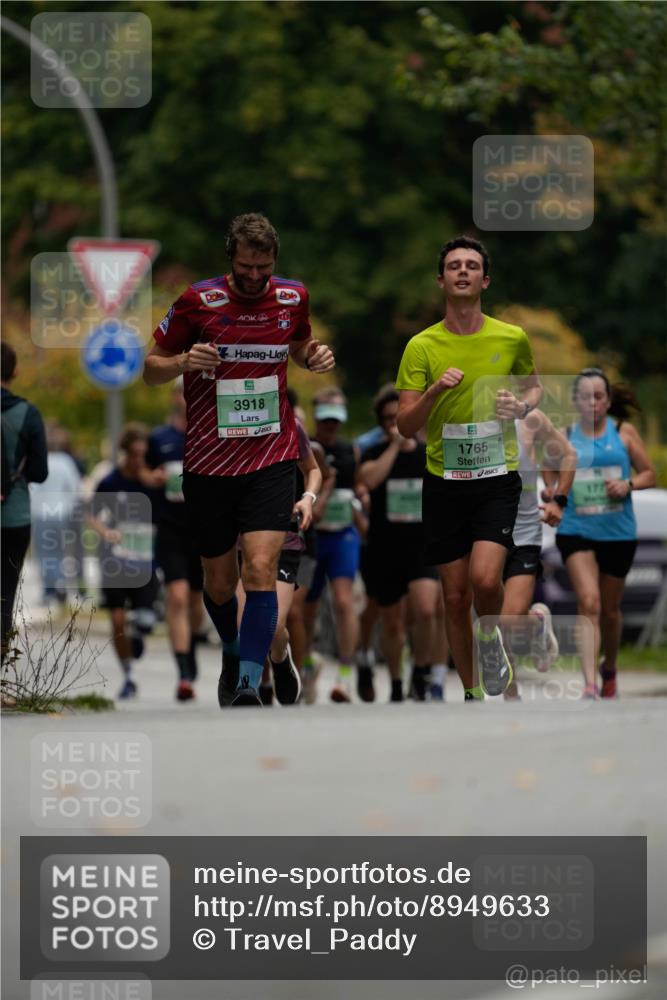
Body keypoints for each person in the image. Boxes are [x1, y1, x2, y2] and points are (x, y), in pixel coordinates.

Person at [143, 212, 334, 707]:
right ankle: (232, 648)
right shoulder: (196, 300)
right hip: (208, 462)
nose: (255, 277)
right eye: (246, 267)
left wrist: (312, 357)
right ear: (231, 257)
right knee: (221, 584)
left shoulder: (292, 297)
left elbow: (298, 348)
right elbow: (149, 368)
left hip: (270, 455)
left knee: (262, 568)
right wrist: (185, 361)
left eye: (264, 268)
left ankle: (250, 680)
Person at [396, 236, 542, 700]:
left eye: (472, 265)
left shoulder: (511, 336)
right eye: (454, 266)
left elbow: (534, 389)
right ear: (441, 280)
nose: (463, 271)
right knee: (455, 597)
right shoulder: (421, 346)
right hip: (443, 481)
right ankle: (473, 692)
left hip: (497, 478)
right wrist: (434, 391)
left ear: (485, 279)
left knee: (484, 579)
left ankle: (490, 637)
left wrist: (519, 406)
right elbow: (404, 425)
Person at [555, 368, 656, 698]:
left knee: (610, 610)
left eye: (599, 396)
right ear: (575, 401)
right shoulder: (564, 434)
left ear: (609, 400)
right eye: (585, 396)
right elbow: (547, 470)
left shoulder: (623, 432)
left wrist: (627, 484)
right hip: (576, 529)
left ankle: (608, 666)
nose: (592, 402)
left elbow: (649, 475)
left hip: (617, 532)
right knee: (589, 602)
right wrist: (553, 494)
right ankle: (588, 682)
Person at [359, 386, 441, 702]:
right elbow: (369, 481)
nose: (395, 424)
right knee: (391, 622)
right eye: (388, 419)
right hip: (385, 547)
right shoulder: (372, 454)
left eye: (400, 417)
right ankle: (395, 683)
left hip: (422, 546)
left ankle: (420, 671)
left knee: (424, 609)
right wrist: (394, 447)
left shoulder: (429, 453)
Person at [501, 410, 577, 699]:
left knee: (505, 620)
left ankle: (535, 625)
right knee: (491, 617)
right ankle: (512, 690)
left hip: (524, 533)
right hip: (483, 533)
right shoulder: (465, 420)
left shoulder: (529, 420)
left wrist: (558, 499)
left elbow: (568, 455)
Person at [86, 424, 160, 699]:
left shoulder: (152, 483)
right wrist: (107, 532)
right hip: (115, 561)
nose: (138, 460)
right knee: (117, 622)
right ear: (125, 453)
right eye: (134, 454)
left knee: (145, 620)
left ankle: (139, 631)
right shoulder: (111, 482)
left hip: (145, 562)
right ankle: (129, 675)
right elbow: (91, 513)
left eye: (143, 454)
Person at [145, 381, 206, 702]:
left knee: (197, 601)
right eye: (182, 393)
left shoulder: (209, 432)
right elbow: (141, 473)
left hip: (203, 527)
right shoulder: (159, 439)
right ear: (174, 398)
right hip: (170, 529)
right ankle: (183, 673)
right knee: (178, 597)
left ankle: (192, 643)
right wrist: (152, 478)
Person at [303, 387, 365, 703]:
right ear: (316, 417)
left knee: (344, 600)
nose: (331, 426)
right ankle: (307, 664)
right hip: (312, 535)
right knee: (307, 607)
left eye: (336, 421)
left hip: (342, 534)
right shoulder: (304, 447)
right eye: (326, 420)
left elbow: (358, 487)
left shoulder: (350, 450)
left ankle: (345, 673)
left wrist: (361, 499)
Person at [1, 343, 48, 663]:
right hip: (13, 517)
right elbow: (39, 473)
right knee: (4, 597)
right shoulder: (27, 413)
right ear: (15, 371)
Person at [30, 423, 83, 606]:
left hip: (40, 512)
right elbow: (75, 488)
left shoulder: (37, 460)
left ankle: (50, 587)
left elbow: (31, 488)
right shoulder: (66, 462)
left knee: (44, 552)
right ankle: (60, 581)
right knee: (60, 549)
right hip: (62, 512)